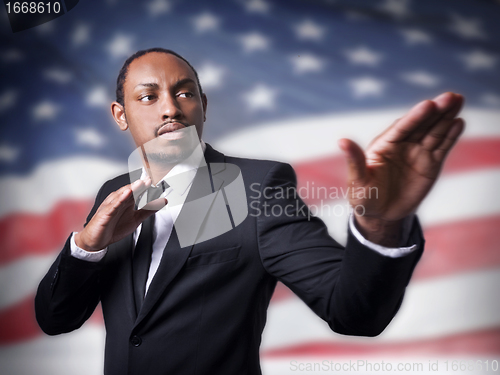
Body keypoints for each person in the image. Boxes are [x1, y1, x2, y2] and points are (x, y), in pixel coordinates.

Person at [35, 48, 465, 375]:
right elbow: (56, 318)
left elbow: (354, 313)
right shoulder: (114, 193)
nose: (170, 108)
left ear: (202, 104)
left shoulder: (260, 186)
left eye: (184, 93)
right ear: (120, 115)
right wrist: (86, 247)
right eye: (147, 97)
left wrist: (382, 221)